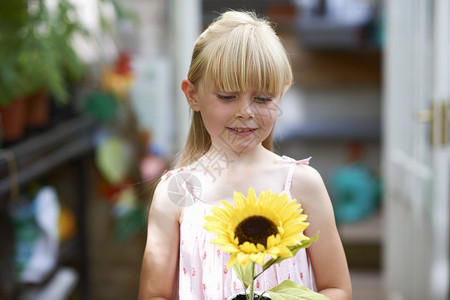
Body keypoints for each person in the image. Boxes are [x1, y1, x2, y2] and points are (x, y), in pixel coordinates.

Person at [138, 10, 352, 300]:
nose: (246, 112)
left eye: (263, 98)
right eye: (227, 96)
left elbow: (337, 289)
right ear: (192, 95)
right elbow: (153, 295)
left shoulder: (302, 184)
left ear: (280, 96)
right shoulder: (175, 194)